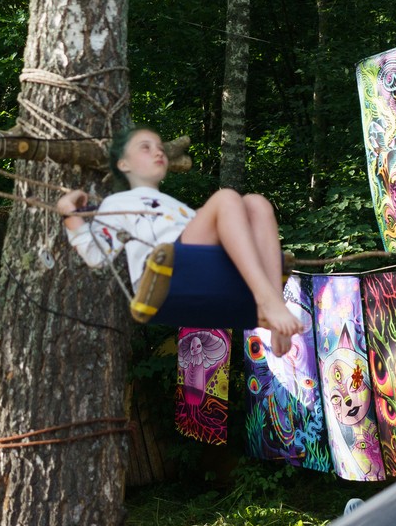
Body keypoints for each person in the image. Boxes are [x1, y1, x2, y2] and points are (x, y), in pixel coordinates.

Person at [57, 126, 301, 355]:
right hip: (172, 270)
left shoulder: (179, 208)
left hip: (204, 264)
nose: (158, 152)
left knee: (257, 203)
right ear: (124, 164)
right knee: (226, 198)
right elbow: (96, 256)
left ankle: (273, 308)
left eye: (160, 147)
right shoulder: (117, 203)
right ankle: (268, 301)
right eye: (145, 147)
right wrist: (69, 213)